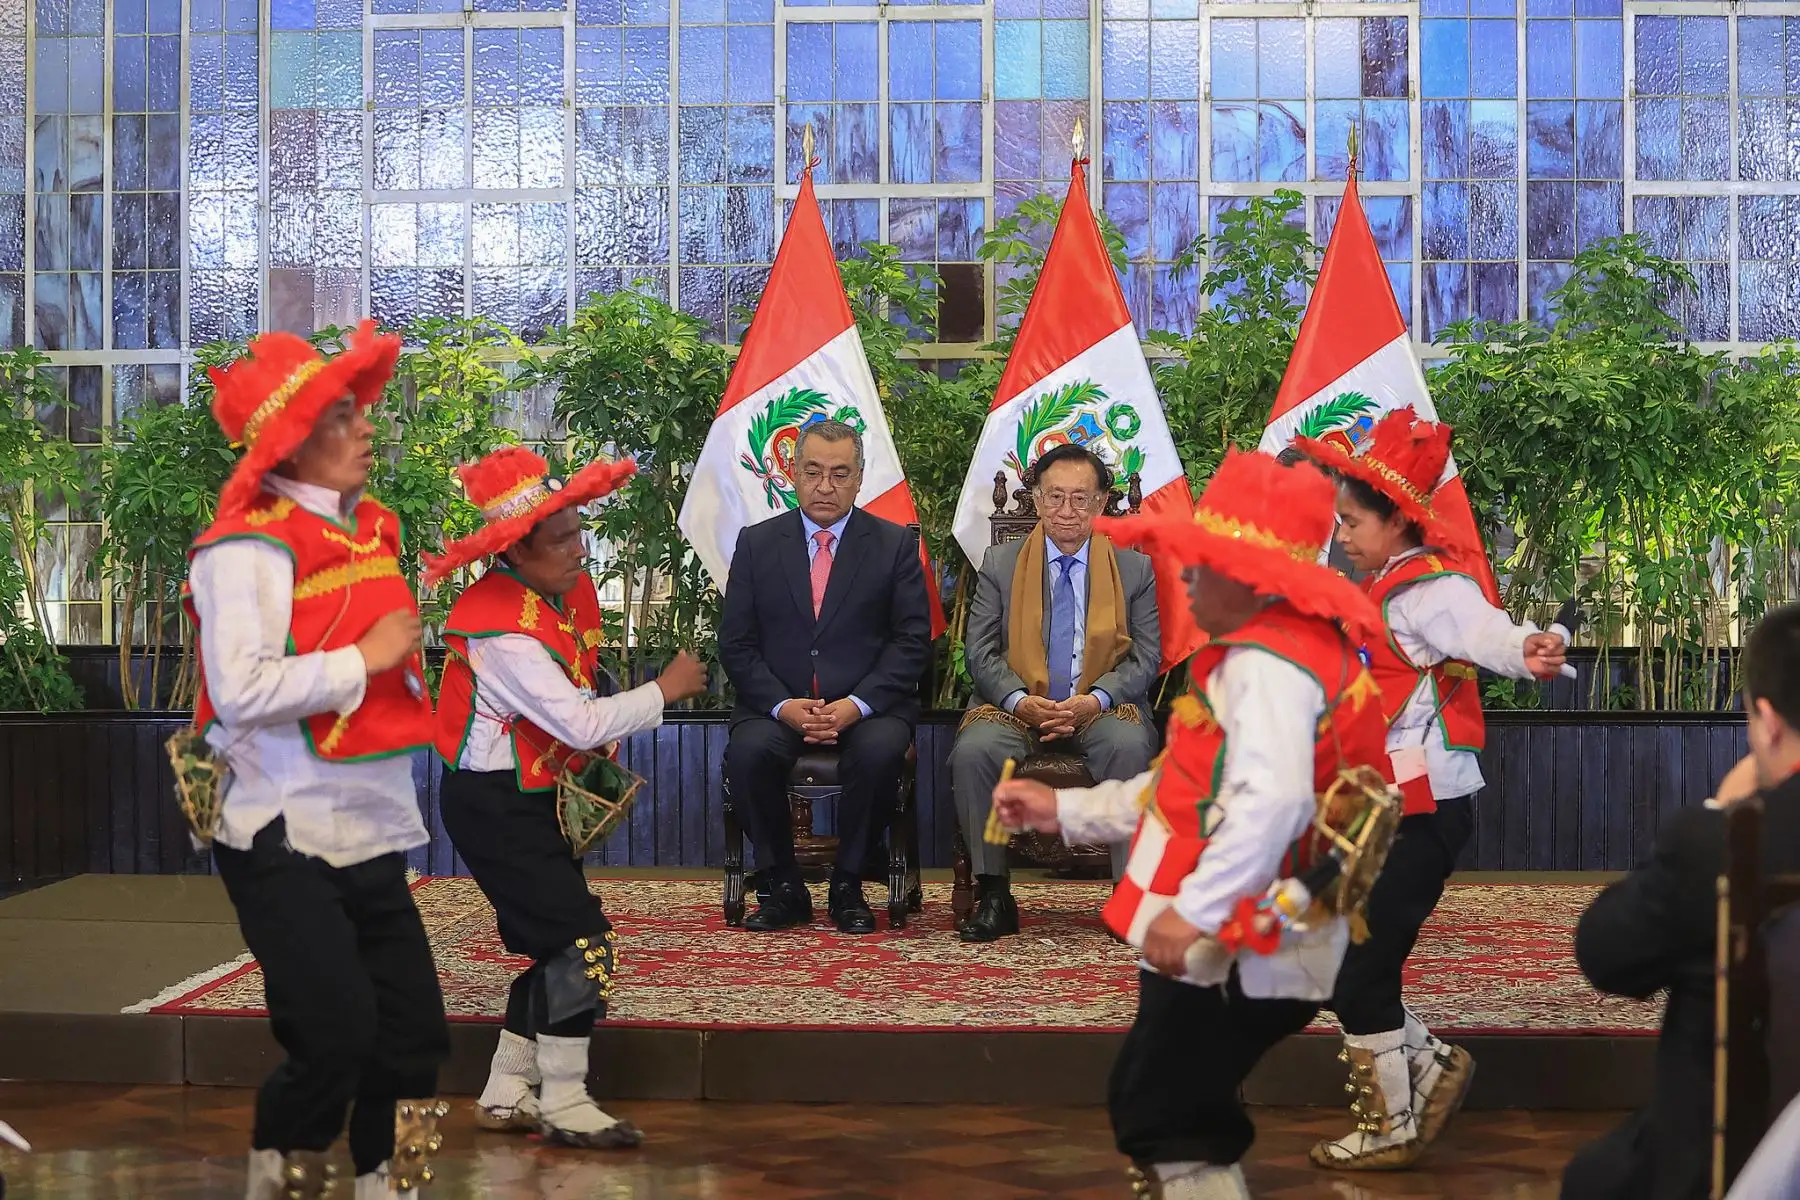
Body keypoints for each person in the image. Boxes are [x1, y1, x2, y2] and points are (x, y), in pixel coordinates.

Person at [991, 448, 1392, 1200]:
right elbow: (1186, 787)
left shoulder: (1265, 668)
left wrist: (1196, 911)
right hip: (1247, 928)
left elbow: (1272, 803)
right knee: (1169, 1103)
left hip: (1240, 933)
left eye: (1203, 568)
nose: (1185, 581)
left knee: (1163, 1109)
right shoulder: (1276, 652)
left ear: (1252, 579)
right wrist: (1065, 809)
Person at [183, 324, 451, 1198]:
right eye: (342, 416)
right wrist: (365, 658)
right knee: (334, 1035)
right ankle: (282, 1179)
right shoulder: (244, 548)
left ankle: (396, 1187)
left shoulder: (368, 531)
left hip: (367, 827)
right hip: (279, 830)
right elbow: (240, 690)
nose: (367, 425)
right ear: (293, 439)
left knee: (416, 1041)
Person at [1295, 407, 1568, 1170]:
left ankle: (1390, 1127)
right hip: (1378, 805)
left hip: (1422, 810)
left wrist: (1527, 648)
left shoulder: (1433, 590)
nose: (1341, 533)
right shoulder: (1382, 585)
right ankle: (1432, 1065)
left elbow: (1487, 633)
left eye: (1352, 521)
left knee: (1359, 965)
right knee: (1326, 951)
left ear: (1395, 522)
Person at [425, 446, 710, 1149]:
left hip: (531, 797)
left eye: (579, 531)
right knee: (584, 946)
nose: (580, 549)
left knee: (559, 947)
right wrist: (664, 690)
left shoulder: (550, 596)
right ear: (516, 551)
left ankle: (504, 1093)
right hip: (494, 805)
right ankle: (565, 1101)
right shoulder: (500, 627)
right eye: (561, 539)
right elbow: (579, 722)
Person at [1561, 604, 1800, 1200]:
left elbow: (1606, 953)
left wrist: (1721, 813)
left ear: (1768, 722)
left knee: (1594, 1179)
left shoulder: (1721, 844)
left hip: (1723, 1163)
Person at [718, 419, 932, 935]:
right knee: (748, 753)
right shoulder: (756, 543)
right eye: (812, 472)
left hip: (868, 708)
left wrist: (856, 705)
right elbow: (736, 644)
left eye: (839, 474)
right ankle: (783, 885)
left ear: (859, 479)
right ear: (792, 474)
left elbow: (911, 642)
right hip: (778, 706)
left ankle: (848, 884)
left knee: (879, 752)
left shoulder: (893, 545)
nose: (825, 486)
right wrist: (782, 706)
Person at [951, 443, 1162, 942]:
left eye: (1080, 498)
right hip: (1017, 705)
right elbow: (980, 651)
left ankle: (1128, 895)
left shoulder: (1133, 568)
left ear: (1101, 503)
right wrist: (1019, 700)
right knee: (975, 751)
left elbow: (1145, 657)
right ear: (1038, 500)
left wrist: (1095, 700)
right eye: (1055, 497)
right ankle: (995, 893)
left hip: (1101, 705)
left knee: (1129, 745)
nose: (1067, 510)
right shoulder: (1001, 563)